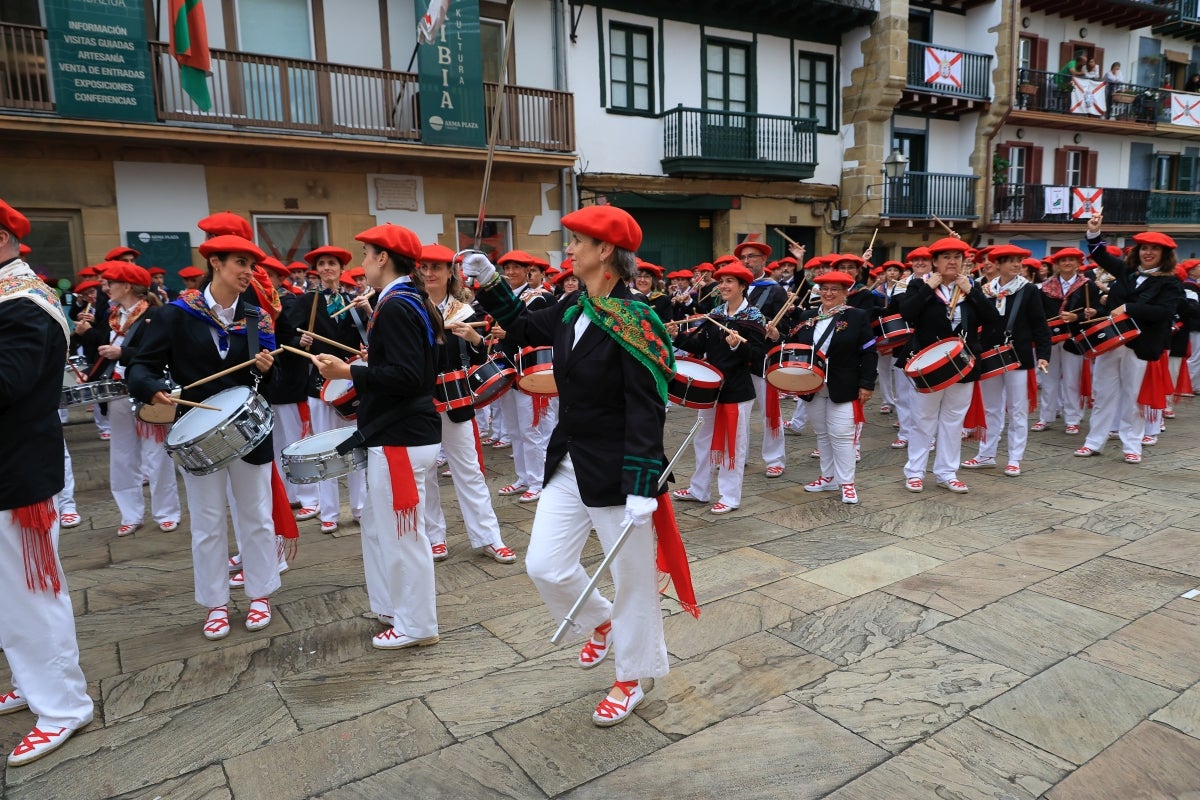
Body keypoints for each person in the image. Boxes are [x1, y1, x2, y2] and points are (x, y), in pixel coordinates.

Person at [463, 204, 695, 727]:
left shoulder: (638, 320)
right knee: (544, 564)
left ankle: (632, 677)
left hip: (620, 470)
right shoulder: (573, 307)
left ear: (605, 251)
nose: (568, 250)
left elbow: (646, 404)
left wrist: (641, 483)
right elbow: (523, 325)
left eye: (577, 242)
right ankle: (601, 621)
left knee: (633, 579)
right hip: (568, 458)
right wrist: (489, 281)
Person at [127, 235, 282, 640]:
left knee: (257, 517)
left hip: (249, 432)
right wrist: (152, 388)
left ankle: (260, 593)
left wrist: (267, 369)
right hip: (197, 431)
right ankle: (215, 602)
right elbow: (140, 366)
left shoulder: (257, 317)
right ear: (215, 262)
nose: (248, 272)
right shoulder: (177, 314)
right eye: (240, 263)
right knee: (208, 522)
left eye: (251, 265)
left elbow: (273, 382)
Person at [312, 223, 441, 649]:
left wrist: (348, 370)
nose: (362, 262)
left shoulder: (398, 305)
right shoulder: (404, 300)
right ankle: (393, 608)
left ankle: (417, 624)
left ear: (383, 258)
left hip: (401, 437)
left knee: (404, 537)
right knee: (384, 530)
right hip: (400, 433)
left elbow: (408, 377)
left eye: (366, 254)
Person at [0, 199, 94, 767]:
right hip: (9, 469)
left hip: (18, 475)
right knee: (9, 596)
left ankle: (62, 705)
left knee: (35, 596)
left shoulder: (25, 305)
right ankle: (32, 681)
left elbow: (6, 384)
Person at [417, 243, 516, 565]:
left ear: (449, 273)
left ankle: (489, 537)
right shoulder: (408, 306)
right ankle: (434, 537)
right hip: (419, 400)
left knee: (469, 471)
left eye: (437, 267)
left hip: (456, 397)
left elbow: (478, 357)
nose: (430, 273)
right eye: (425, 267)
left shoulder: (464, 311)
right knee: (426, 471)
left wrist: (474, 340)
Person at [1076, 215, 1184, 462]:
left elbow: (1165, 312)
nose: (1148, 252)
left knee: (1134, 397)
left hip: (1140, 346)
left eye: (1154, 249)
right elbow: (1100, 255)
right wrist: (1094, 232)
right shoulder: (1127, 271)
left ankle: (1132, 445)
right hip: (1111, 342)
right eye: (1144, 248)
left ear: (1164, 254)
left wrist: (1128, 308)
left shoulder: (1170, 282)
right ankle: (1094, 442)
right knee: (1102, 394)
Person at [897, 237, 1000, 493]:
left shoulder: (972, 286)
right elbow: (907, 315)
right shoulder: (919, 285)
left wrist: (972, 292)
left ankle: (947, 472)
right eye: (946, 257)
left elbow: (992, 319)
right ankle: (915, 472)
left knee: (954, 421)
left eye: (957, 257)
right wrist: (926, 288)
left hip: (963, 364)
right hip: (928, 364)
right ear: (935, 262)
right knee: (923, 419)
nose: (952, 261)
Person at [670, 262, 767, 513]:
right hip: (711, 387)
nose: (722, 286)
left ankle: (730, 496)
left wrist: (738, 346)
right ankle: (699, 489)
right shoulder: (715, 314)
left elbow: (758, 356)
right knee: (702, 439)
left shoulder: (754, 318)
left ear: (743, 286)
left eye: (729, 282)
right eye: (721, 281)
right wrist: (676, 337)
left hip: (737, 389)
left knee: (734, 444)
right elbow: (699, 345)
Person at [100, 261, 181, 535]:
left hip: (148, 391)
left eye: (110, 283)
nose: (106, 287)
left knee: (156, 454)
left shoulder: (155, 315)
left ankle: (166, 512)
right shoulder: (111, 315)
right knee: (122, 455)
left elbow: (161, 354)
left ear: (125, 286)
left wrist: (122, 354)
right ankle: (130, 514)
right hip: (117, 391)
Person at [784, 271, 876, 504]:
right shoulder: (807, 315)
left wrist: (866, 383)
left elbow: (869, 353)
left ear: (845, 293)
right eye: (824, 288)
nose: (828, 293)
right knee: (823, 434)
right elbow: (795, 345)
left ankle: (847, 484)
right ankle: (828, 477)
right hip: (812, 385)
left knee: (842, 436)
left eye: (835, 289)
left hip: (844, 384)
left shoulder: (857, 317)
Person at [961, 244, 1051, 476]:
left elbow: (1040, 324)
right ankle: (986, 454)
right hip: (990, 356)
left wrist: (1043, 354)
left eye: (1018, 260)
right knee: (991, 408)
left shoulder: (1028, 290)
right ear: (998, 265)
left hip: (1018, 356)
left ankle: (1015, 458)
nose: (1016, 264)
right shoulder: (985, 289)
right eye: (1010, 260)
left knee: (1018, 409)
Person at [296, 244, 369, 532]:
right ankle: (329, 512)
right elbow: (288, 334)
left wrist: (366, 342)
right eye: (323, 264)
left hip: (351, 383)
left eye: (332, 264)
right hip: (319, 384)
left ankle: (360, 507)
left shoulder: (354, 302)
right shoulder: (307, 302)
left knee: (355, 445)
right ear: (318, 270)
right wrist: (300, 343)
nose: (327, 268)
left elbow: (367, 338)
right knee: (326, 449)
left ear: (341, 270)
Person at [492, 249, 555, 501]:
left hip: (530, 370)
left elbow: (544, 334)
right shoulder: (506, 299)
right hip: (507, 369)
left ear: (528, 271)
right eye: (506, 269)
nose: (510, 273)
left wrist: (508, 335)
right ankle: (523, 477)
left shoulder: (540, 299)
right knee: (515, 430)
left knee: (532, 431)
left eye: (515, 268)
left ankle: (538, 481)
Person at [736, 240, 788, 478]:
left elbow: (785, 327)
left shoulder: (775, 290)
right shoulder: (735, 285)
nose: (747, 261)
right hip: (736, 357)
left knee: (770, 411)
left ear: (764, 260)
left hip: (764, 357)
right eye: (743, 258)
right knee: (738, 412)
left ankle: (775, 459)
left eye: (751, 257)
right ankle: (740, 455)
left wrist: (776, 332)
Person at [1034, 248, 1099, 434]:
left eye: (1072, 260)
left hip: (1074, 339)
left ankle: (1073, 418)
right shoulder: (1045, 287)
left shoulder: (1088, 285)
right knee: (1048, 380)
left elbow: (1096, 312)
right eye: (1063, 260)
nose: (1067, 263)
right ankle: (1045, 417)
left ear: (1079, 264)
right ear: (1056, 264)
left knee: (1072, 380)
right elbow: (1040, 314)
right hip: (1051, 339)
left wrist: (1077, 317)